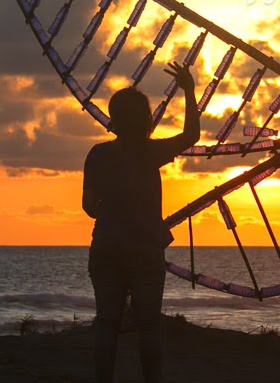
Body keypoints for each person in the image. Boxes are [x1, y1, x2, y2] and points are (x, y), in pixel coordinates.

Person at [82, 63, 200, 383]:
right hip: (145, 248)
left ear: (113, 120)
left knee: (107, 322)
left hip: (106, 245)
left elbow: (89, 207)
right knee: (148, 325)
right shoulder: (152, 152)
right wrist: (188, 90)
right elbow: (192, 135)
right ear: (146, 120)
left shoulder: (98, 155)